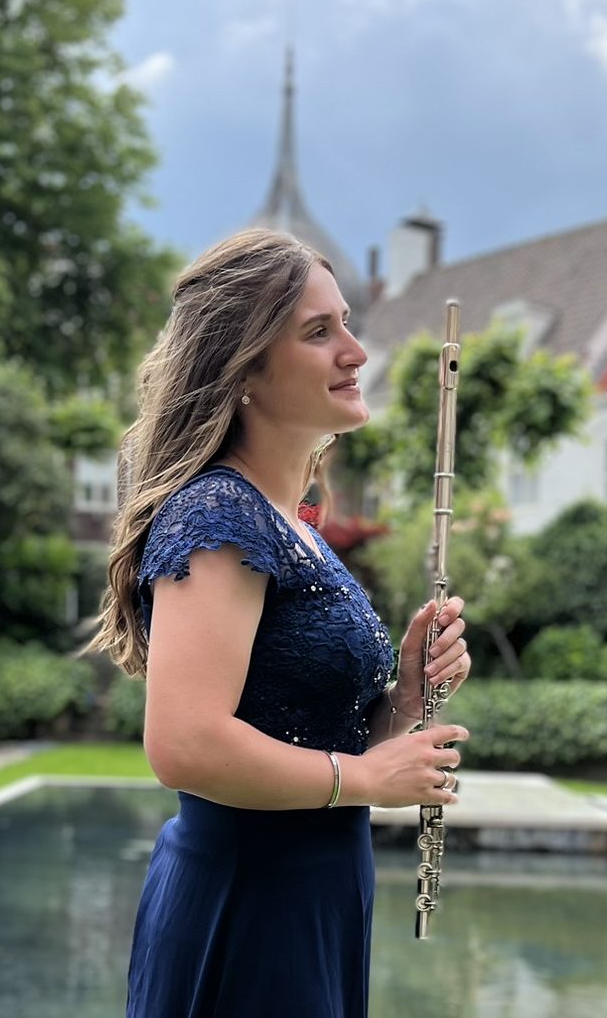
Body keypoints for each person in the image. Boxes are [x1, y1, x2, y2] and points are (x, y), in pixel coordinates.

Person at [92, 228, 473, 1018]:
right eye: (318, 332)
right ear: (245, 371)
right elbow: (184, 745)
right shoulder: (219, 513)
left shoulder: (293, 524)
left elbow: (303, 730)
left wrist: (402, 701)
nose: (355, 353)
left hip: (312, 895)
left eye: (346, 325)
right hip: (249, 905)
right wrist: (367, 780)